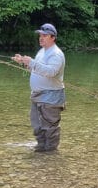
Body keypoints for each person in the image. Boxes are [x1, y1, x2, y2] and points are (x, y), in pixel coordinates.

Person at [12, 23, 65, 152]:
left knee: (50, 127)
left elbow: (51, 72)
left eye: (44, 35)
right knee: (37, 126)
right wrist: (25, 63)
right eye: (40, 35)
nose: (41, 38)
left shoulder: (56, 54)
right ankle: (41, 149)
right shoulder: (42, 51)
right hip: (38, 95)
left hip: (51, 96)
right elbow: (37, 68)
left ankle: (51, 154)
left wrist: (32, 62)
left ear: (53, 37)